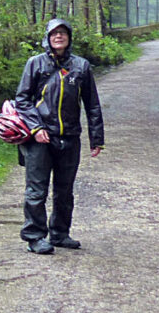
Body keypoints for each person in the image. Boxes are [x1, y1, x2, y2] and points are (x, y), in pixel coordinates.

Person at [14, 18, 104, 254]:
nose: (59, 37)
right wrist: (36, 128)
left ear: (69, 38)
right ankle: (34, 237)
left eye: (63, 33)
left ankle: (60, 233)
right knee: (37, 190)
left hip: (70, 138)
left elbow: (92, 104)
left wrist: (97, 139)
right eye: (54, 33)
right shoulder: (35, 64)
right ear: (47, 37)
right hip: (39, 139)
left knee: (65, 190)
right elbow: (22, 100)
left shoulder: (81, 66)